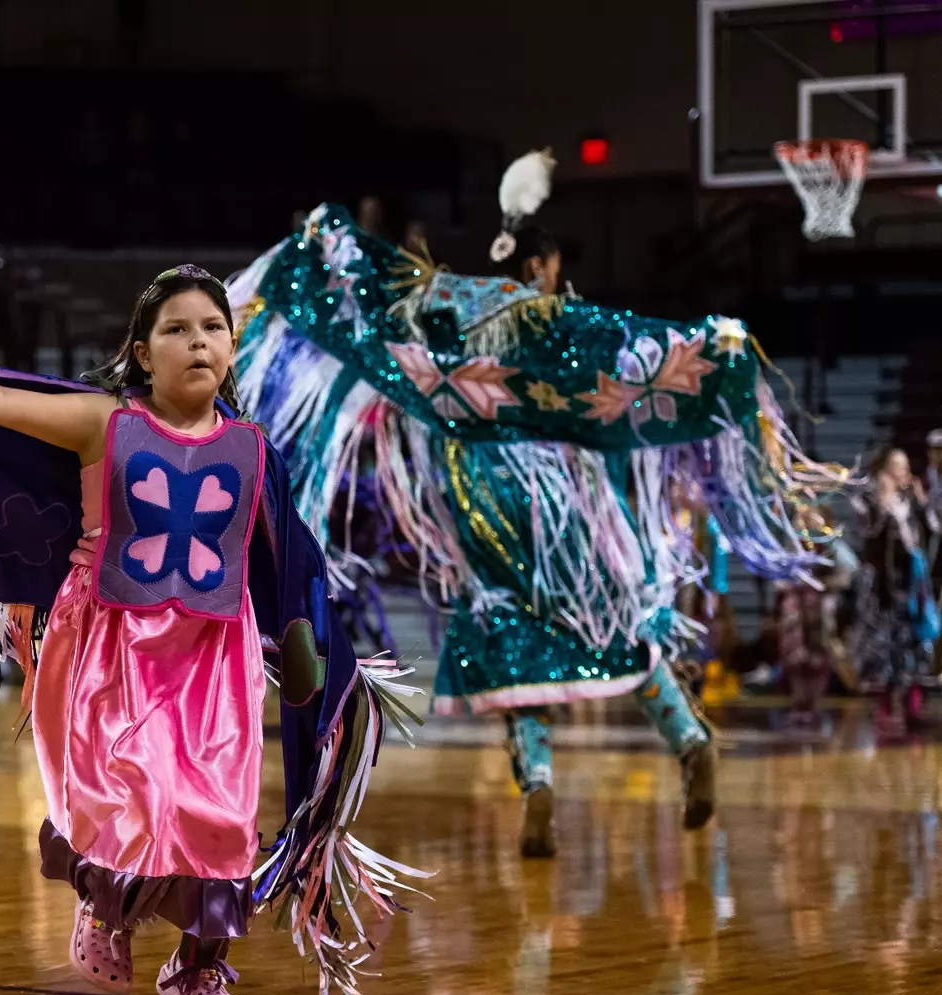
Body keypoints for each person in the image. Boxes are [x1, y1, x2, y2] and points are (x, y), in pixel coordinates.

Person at [0, 266, 425, 995]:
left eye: (212, 328)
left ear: (233, 349)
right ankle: (103, 907)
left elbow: (288, 557)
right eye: (177, 329)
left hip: (216, 655)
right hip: (112, 646)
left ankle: (197, 967)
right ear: (144, 354)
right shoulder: (103, 423)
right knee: (136, 793)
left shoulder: (252, 448)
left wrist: (309, 645)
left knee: (217, 816)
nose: (197, 342)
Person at [227, 152, 849, 859]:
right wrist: (722, 351)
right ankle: (688, 739)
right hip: (567, 516)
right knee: (615, 627)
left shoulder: (448, 310)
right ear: (544, 265)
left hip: (481, 511)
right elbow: (647, 359)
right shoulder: (566, 321)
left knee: (508, 641)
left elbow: (374, 312)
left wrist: (334, 238)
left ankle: (539, 790)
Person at [852, 445, 937, 722]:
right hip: (883, 585)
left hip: (912, 581)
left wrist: (923, 504)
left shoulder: (911, 500)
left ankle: (913, 704)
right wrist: (883, 502)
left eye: (906, 465)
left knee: (913, 640)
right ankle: (886, 704)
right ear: (884, 470)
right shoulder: (868, 499)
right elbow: (867, 533)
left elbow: (931, 532)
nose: (905, 471)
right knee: (885, 644)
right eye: (898, 466)